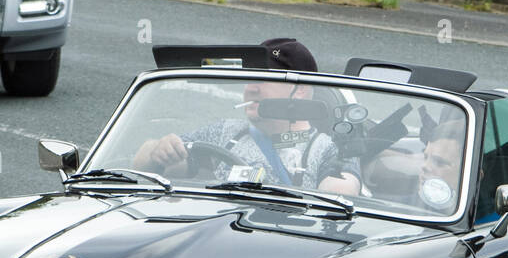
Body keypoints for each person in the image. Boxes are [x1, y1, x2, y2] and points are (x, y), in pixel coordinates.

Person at [132, 38, 362, 196]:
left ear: (299, 89)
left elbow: (344, 192)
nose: (250, 88)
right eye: (249, 78)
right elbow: (146, 163)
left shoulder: (328, 145)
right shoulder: (226, 132)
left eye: (262, 78)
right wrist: (160, 150)